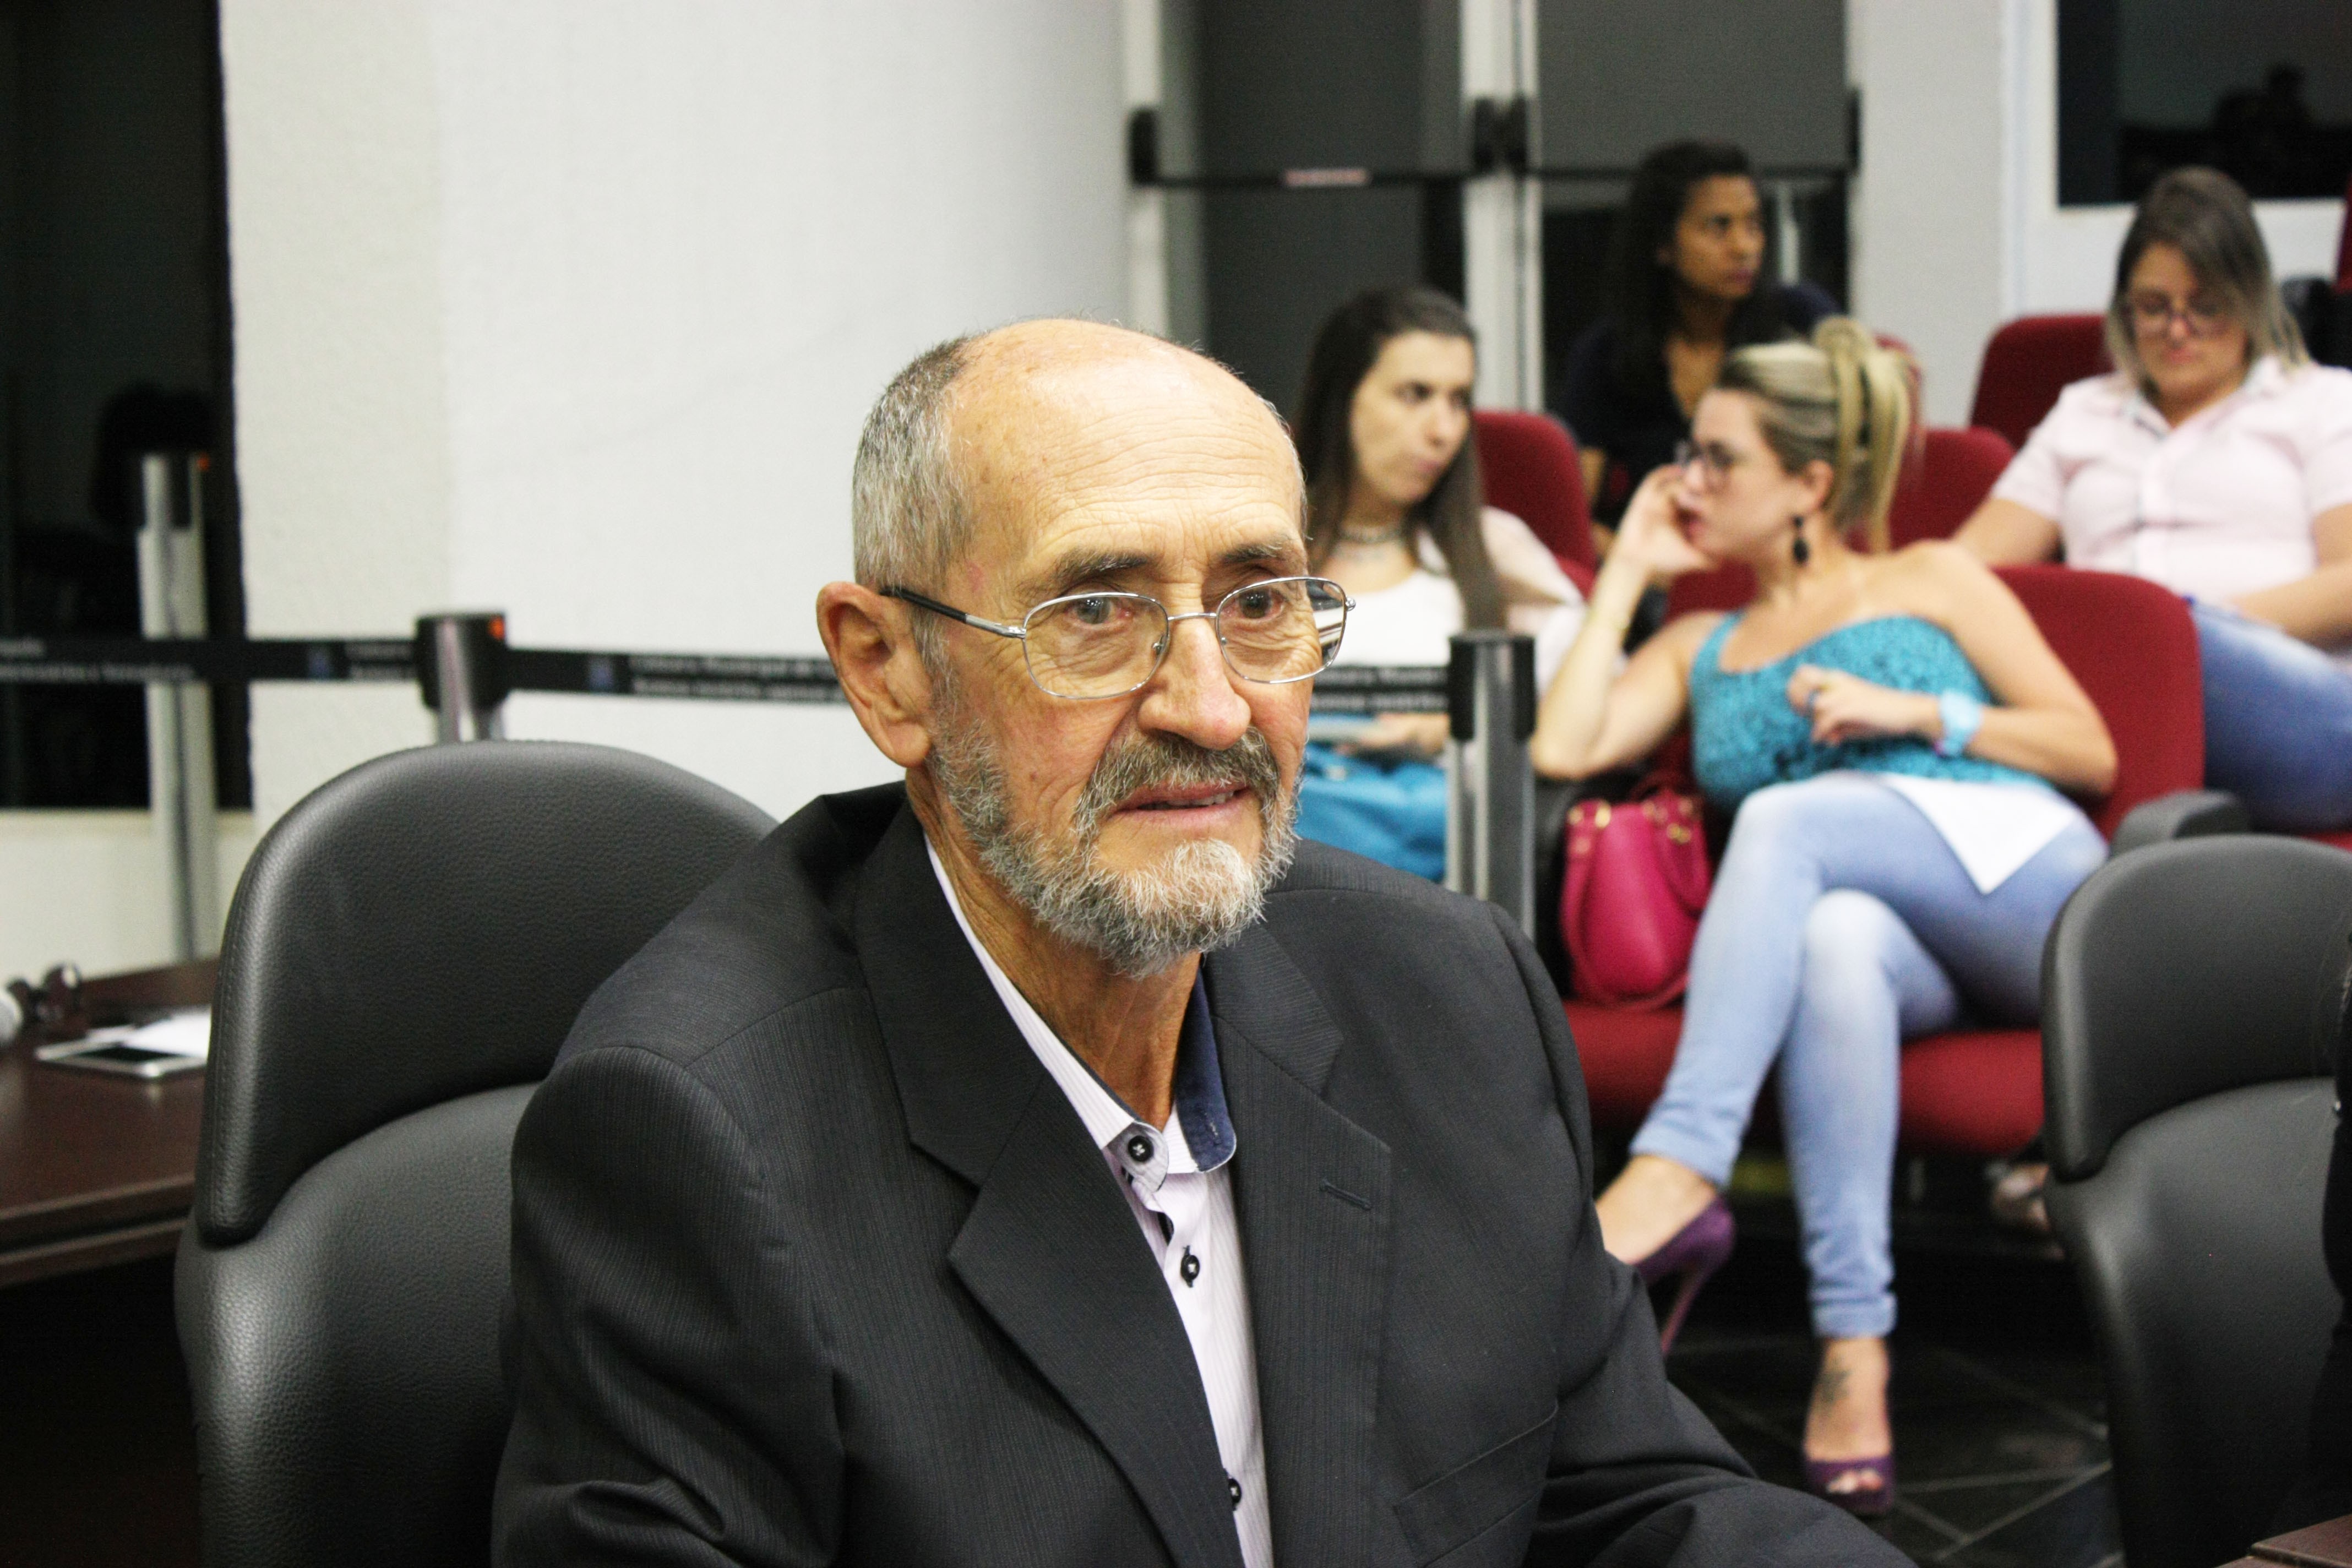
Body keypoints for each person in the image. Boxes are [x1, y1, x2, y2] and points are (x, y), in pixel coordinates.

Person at [492, 319, 1905, 1566]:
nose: (1214, 707)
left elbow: (1630, 1501)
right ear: (889, 669)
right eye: (1094, 612)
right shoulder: (704, 1134)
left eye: (1260, 601)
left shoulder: (1448, 991)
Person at [1531, 319, 2116, 1518]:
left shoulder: (1929, 578)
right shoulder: (1700, 642)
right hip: (1896, 943)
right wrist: (1630, 568)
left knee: (1789, 817)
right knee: (1834, 942)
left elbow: (2088, 748)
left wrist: (1917, 713)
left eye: (1719, 458)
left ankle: (1680, 1163)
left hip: (2028, 882)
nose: (1689, 480)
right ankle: (1855, 1347)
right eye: (1686, 453)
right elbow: (1563, 745)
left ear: (1807, 484)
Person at [1958, 166, 2352, 832]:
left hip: (2291, 704)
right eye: (2153, 306)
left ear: (2252, 303)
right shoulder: (2083, 414)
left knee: (2169, 647)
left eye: (2206, 307)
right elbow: (1967, 569)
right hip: (2113, 700)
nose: (2177, 330)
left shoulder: (2322, 402)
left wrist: (2172, 633)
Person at [1291, 285, 1587, 879]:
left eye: (1459, 401)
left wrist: (1454, 728)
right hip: (1292, 831)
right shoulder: (1266, 546)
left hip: (1443, 847)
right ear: (1341, 399)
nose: (1444, 430)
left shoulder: (1492, 548)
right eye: (1415, 395)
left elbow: (1583, 688)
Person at [1558, 140, 1837, 536]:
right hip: (1651, 554)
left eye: (1754, 225)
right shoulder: (1607, 353)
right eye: (1719, 227)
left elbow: (1848, 479)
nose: (1744, 247)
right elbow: (1573, 518)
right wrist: (1635, 556)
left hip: (1772, 548)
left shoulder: (1798, 323)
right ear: (1663, 245)